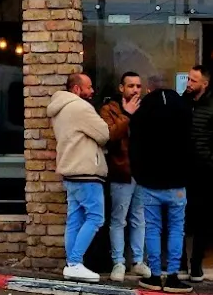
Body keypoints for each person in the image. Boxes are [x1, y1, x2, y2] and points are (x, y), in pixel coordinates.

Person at [129, 75, 193, 294]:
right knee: (176, 229)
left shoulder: (142, 111)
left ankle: (155, 275)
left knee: (153, 228)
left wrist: (139, 174)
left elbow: (134, 146)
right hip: (177, 181)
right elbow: (190, 143)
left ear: (149, 89)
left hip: (150, 182)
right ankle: (173, 276)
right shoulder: (183, 108)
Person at [46, 73, 110, 283]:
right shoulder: (81, 107)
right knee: (95, 218)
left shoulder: (59, 108)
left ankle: (71, 264)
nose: (92, 91)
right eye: (88, 87)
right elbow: (104, 133)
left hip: (70, 171)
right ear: (76, 89)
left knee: (75, 219)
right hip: (85, 171)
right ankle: (75, 262)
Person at [182, 63, 213, 282]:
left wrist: (211, 161)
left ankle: (196, 265)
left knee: (202, 219)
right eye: (188, 79)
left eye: (193, 80)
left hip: (204, 172)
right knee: (180, 218)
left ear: (205, 83)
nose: (189, 83)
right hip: (183, 170)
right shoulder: (182, 104)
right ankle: (179, 262)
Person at [99, 71, 150, 282]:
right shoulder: (109, 109)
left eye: (138, 86)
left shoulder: (145, 108)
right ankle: (118, 262)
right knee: (118, 219)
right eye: (131, 86)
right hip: (121, 170)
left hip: (141, 171)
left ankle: (138, 261)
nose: (135, 90)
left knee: (139, 218)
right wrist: (127, 114)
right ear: (121, 88)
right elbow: (110, 135)